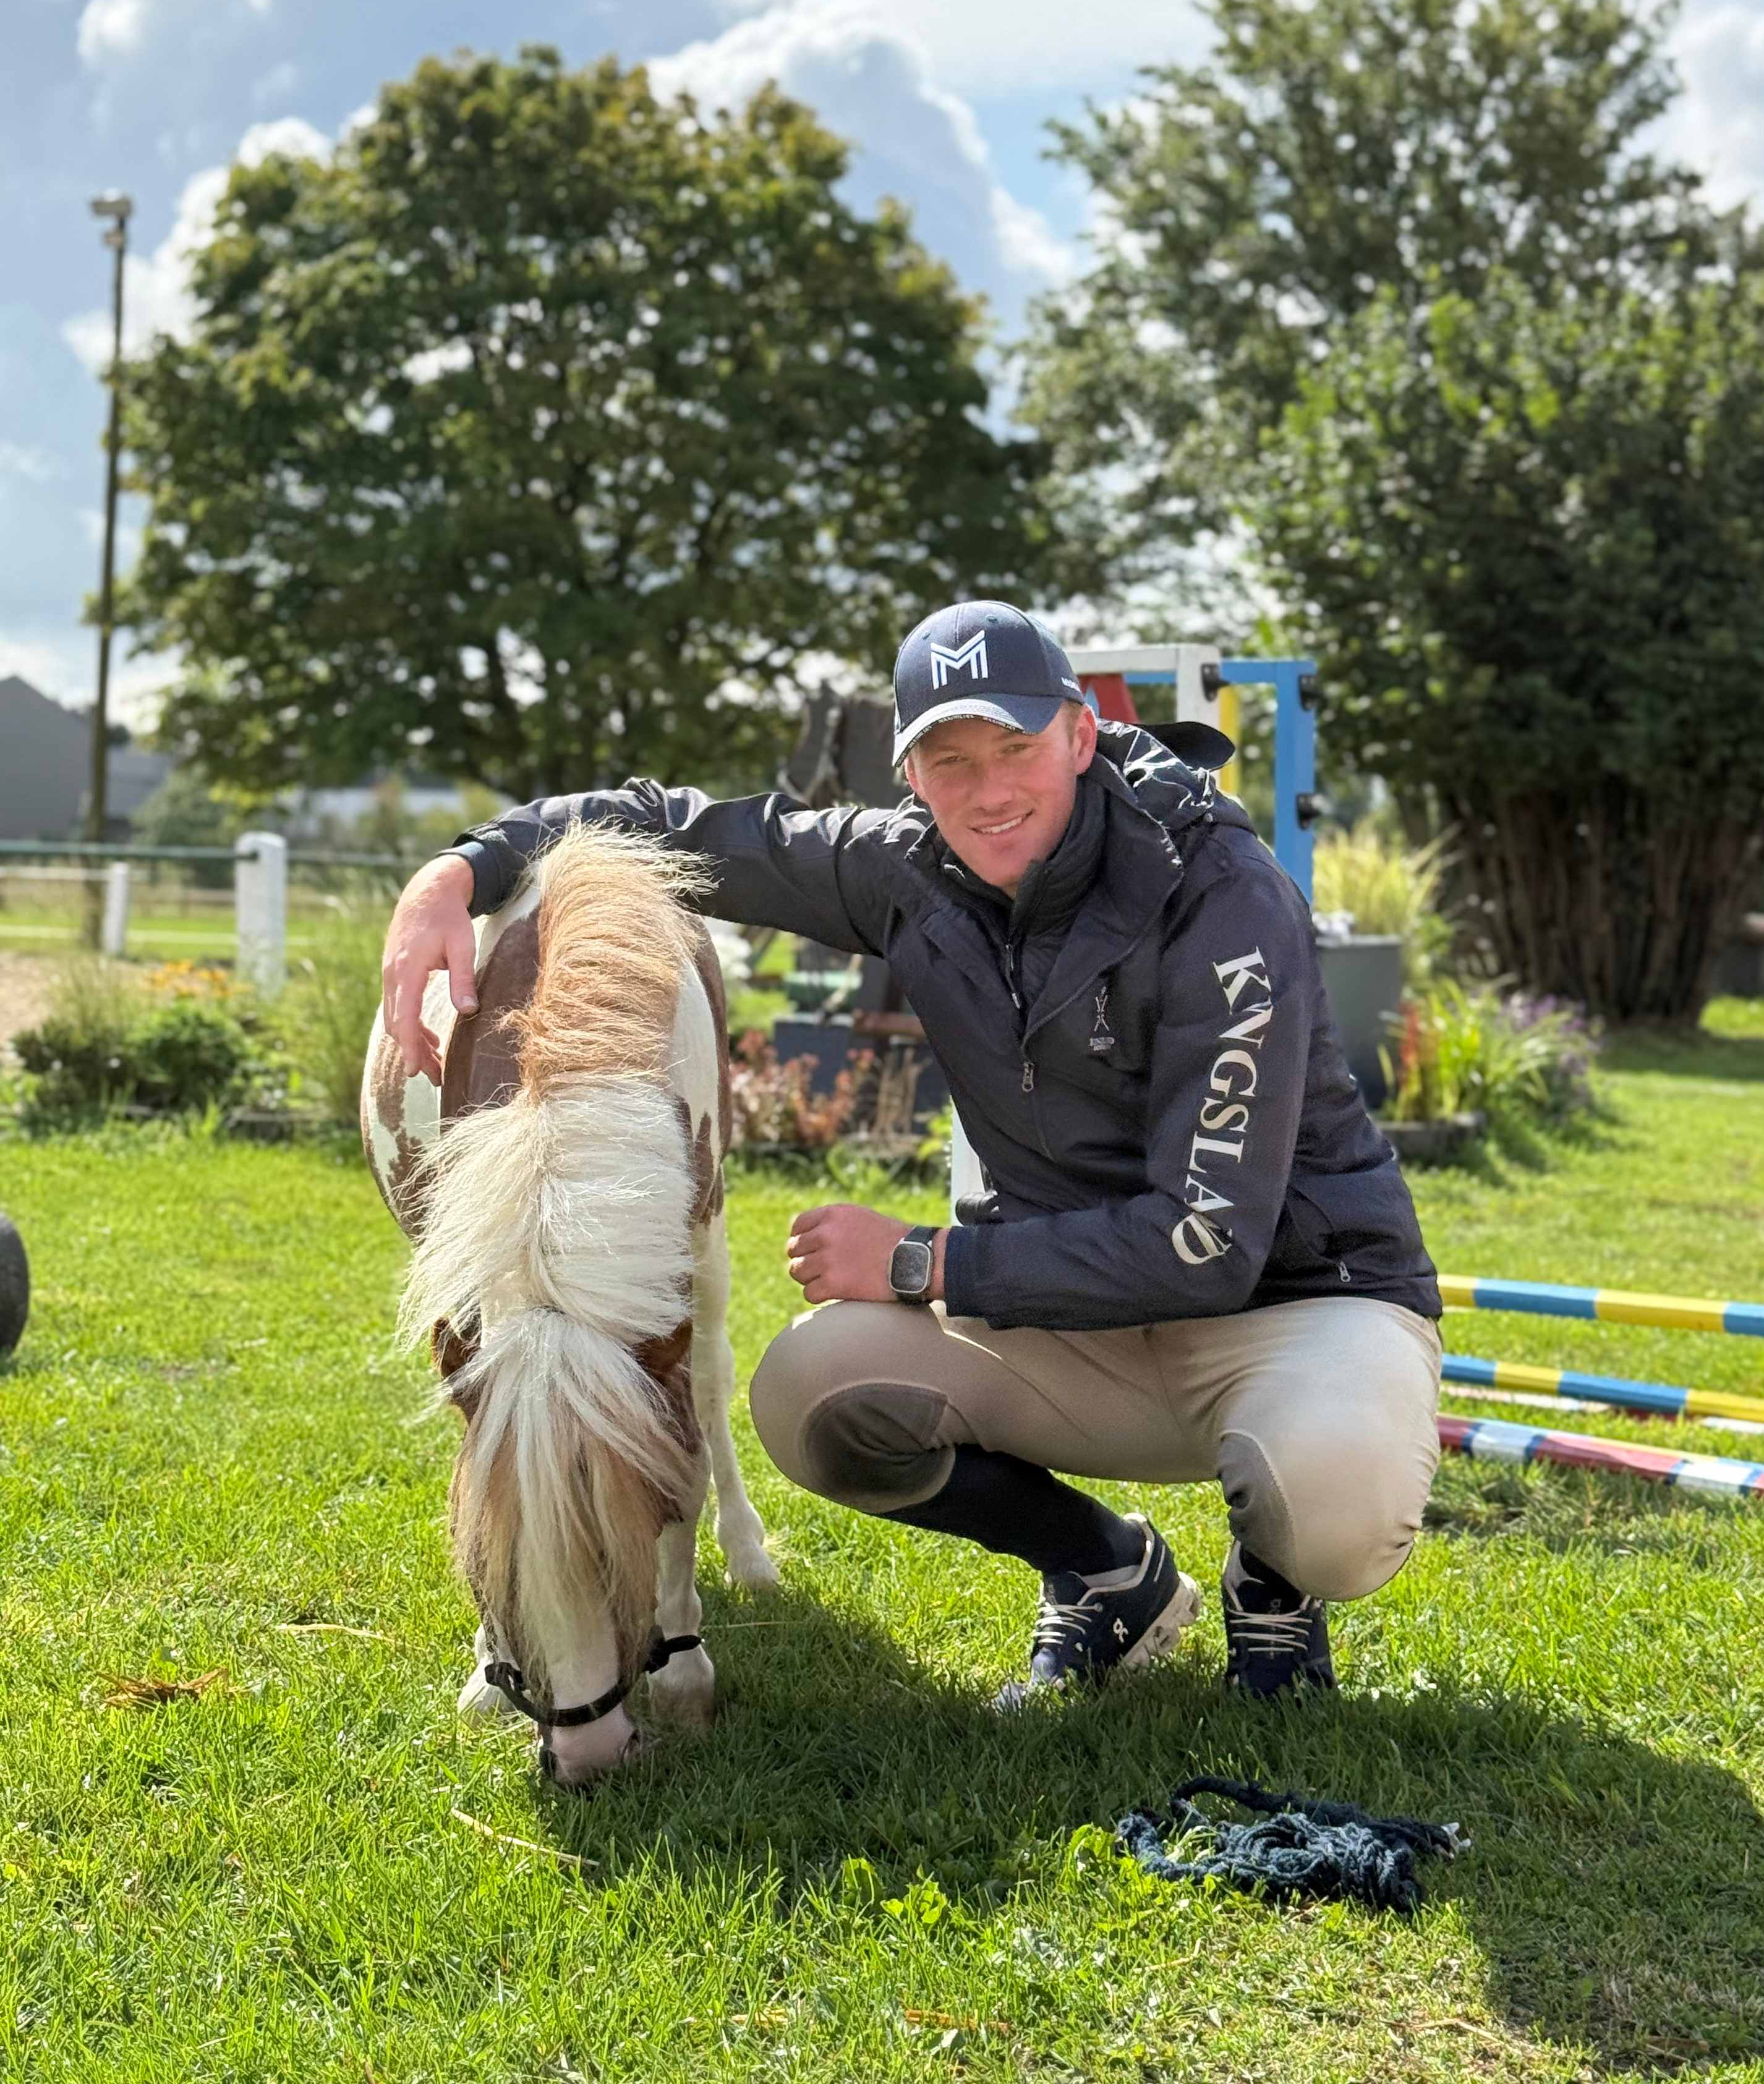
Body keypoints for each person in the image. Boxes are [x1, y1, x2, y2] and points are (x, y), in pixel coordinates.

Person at [381, 600, 1442, 1708]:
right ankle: (1104, 1569)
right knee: (813, 1392)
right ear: (912, 777)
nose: (989, 791)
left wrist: (920, 1265)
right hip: (1083, 1322)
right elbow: (669, 824)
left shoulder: (1222, 892)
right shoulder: (906, 870)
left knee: (1332, 1501)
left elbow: (1204, 1244)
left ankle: (1275, 1583)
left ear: (1080, 737)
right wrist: (457, 872)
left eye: (1017, 748)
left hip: (1295, 1302)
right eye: (950, 759)